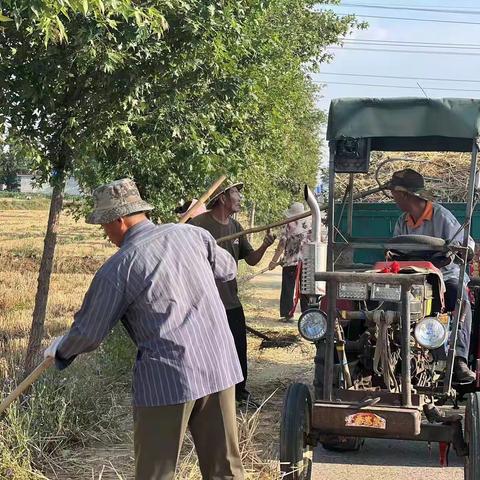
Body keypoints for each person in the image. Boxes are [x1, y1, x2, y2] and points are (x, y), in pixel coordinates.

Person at [44, 178, 245, 480]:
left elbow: (88, 333)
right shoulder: (192, 235)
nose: (105, 233)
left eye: (104, 225)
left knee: (155, 473)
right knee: (225, 470)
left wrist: (60, 349)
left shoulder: (119, 268)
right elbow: (228, 269)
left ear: (120, 220)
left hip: (169, 379)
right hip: (219, 363)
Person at [190, 181, 275, 408]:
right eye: (236, 192)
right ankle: (207, 395)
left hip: (230, 300)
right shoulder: (198, 225)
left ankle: (240, 393)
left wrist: (265, 246)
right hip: (204, 302)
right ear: (222, 198)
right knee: (207, 349)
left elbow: (251, 260)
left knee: (238, 347)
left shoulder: (236, 227)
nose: (240, 197)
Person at [389, 168, 476, 383]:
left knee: (458, 295)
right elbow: (394, 250)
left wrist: (453, 253)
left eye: (395, 194)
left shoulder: (441, 216)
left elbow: (468, 244)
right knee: (383, 296)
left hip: (445, 274)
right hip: (413, 275)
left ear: (405, 195)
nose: (394, 198)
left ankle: (458, 359)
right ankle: (389, 350)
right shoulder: (402, 221)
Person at [268, 202, 312, 322]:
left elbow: (282, 244)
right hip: (307, 262)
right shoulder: (309, 223)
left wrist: (273, 261)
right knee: (305, 289)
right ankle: (307, 314)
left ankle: (287, 314)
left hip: (290, 262)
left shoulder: (288, 225)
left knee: (288, 288)